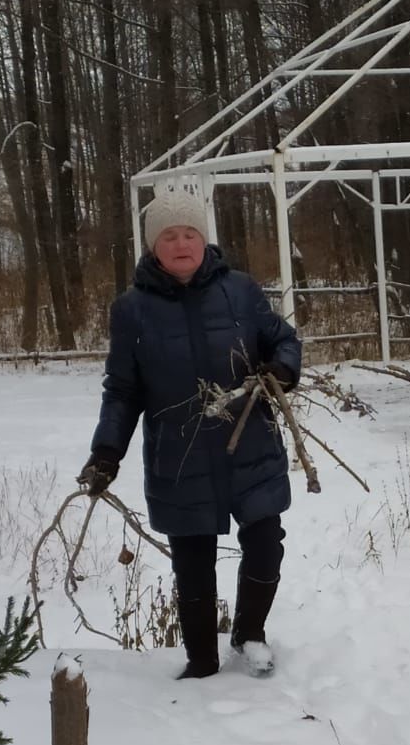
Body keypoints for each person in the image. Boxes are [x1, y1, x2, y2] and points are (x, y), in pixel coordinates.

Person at [77, 189, 303, 680]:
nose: (182, 244)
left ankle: (250, 634)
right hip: (179, 454)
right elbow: (122, 389)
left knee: (266, 541)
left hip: (249, 440)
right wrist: (106, 451)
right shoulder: (131, 310)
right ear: (152, 246)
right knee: (192, 563)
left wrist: (281, 370)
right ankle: (201, 662)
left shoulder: (239, 290)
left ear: (205, 240)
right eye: (169, 236)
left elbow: (282, 338)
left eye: (190, 234)